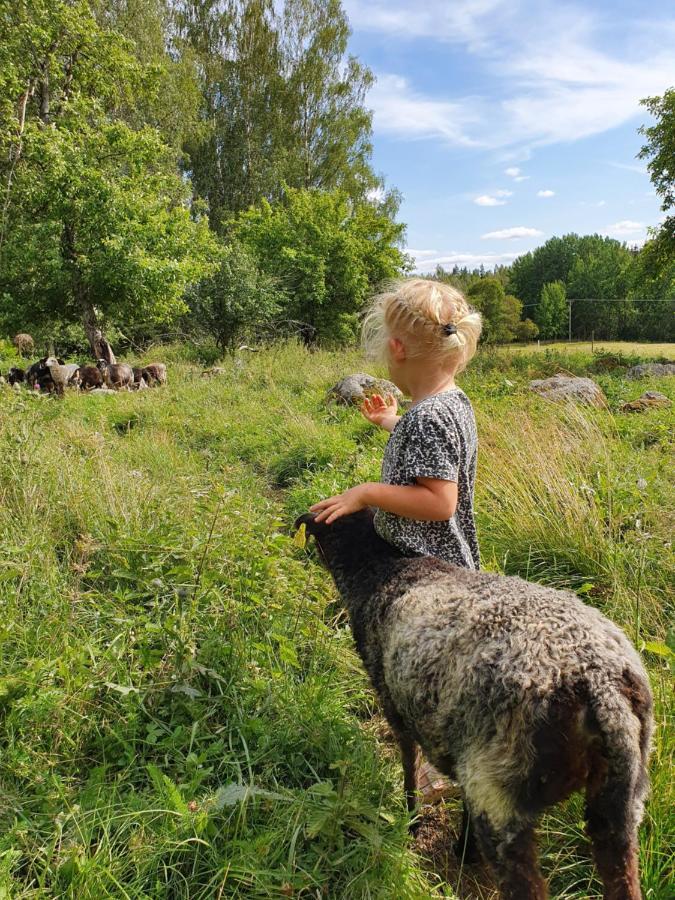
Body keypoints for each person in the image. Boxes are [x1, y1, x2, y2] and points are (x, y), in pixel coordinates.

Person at [310, 277, 482, 803]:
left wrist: (367, 492)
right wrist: (393, 422)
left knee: (427, 681)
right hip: (457, 563)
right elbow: (430, 447)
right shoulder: (449, 403)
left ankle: (435, 770)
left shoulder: (428, 417)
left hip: (427, 569)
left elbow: (438, 501)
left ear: (398, 349)